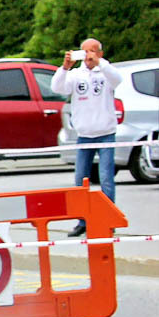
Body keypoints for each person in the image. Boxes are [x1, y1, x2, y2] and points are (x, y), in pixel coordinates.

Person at [52, 38, 124, 237]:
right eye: (85, 51)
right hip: (84, 135)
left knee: (106, 178)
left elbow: (118, 80)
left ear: (100, 53)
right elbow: (57, 88)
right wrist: (65, 68)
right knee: (80, 180)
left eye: (92, 51)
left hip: (106, 133)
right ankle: (82, 220)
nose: (88, 56)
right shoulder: (76, 74)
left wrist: (100, 63)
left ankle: (108, 219)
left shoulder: (106, 72)